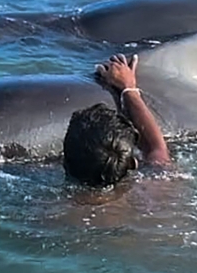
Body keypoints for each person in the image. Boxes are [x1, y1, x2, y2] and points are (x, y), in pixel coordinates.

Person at [62, 53, 171, 187]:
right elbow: (157, 149)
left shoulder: (53, 207)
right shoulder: (156, 190)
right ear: (133, 163)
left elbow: (156, 149)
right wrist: (129, 89)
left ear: (64, 165)